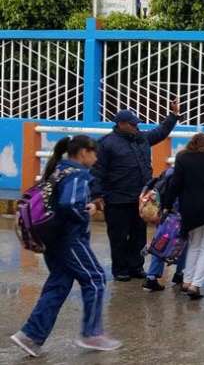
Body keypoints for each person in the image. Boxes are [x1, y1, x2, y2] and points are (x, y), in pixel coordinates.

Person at [11, 136, 122, 357]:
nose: (96, 157)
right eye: (94, 152)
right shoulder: (79, 174)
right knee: (96, 279)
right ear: (83, 153)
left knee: (58, 285)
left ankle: (30, 336)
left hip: (53, 239)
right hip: (70, 239)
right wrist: (86, 211)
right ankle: (92, 333)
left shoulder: (58, 169)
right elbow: (69, 203)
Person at [91, 101, 180, 282]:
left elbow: (161, 132)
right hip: (117, 198)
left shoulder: (141, 139)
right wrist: (97, 195)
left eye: (136, 123)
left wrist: (173, 116)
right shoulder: (106, 144)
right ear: (121, 124)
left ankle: (136, 266)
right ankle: (120, 269)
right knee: (118, 236)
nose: (136, 126)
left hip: (141, 198)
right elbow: (97, 171)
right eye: (132, 124)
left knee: (139, 235)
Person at [162, 133, 204, 299]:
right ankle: (195, 285)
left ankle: (187, 281)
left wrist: (166, 205)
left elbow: (175, 184)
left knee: (194, 245)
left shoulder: (182, 158)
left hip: (189, 210)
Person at [142, 167, 188, 292]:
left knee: (160, 244)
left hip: (163, 215)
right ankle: (180, 273)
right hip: (177, 216)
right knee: (183, 243)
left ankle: (151, 277)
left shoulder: (167, 172)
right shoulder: (183, 174)